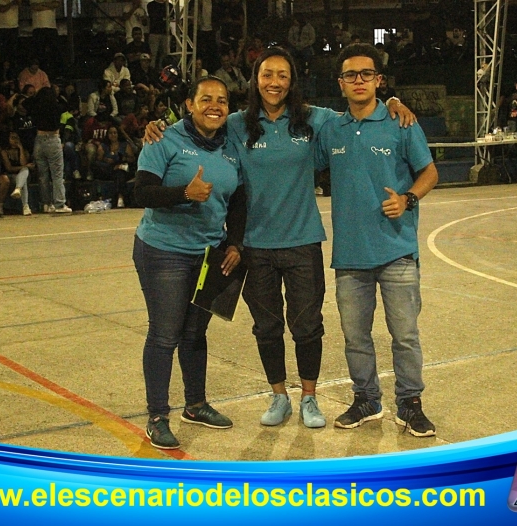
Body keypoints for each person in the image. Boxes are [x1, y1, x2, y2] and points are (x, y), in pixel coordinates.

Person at [144, 47, 414, 430]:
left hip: (303, 241)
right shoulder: (237, 124)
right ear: (256, 79)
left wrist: (393, 101)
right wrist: (157, 125)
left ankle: (309, 398)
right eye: (267, 74)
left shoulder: (313, 120)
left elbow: (359, 108)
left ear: (292, 81)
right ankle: (278, 396)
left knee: (307, 326)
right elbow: (195, 126)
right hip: (255, 246)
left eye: (283, 75)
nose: (275, 82)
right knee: (267, 327)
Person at [315, 43, 438, 436]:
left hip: (397, 251)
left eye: (366, 74)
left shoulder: (400, 123)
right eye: (351, 75)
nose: (359, 81)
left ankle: (410, 404)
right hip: (350, 256)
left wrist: (409, 198)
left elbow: (430, 172)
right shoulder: (331, 128)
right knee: (355, 337)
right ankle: (366, 399)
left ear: (379, 80)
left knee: (404, 335)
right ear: (341, 83)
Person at [132, 76, 245, 450]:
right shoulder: (163, 139)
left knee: (196, 334)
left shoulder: (232, 144)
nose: (215, 106)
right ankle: (157, 417)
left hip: (210, 253)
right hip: (165, 250)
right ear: (189, 104)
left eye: (223, 101)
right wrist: (184, 193)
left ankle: (195, 405)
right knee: (166, 334)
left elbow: (239, 199)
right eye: (206, 99)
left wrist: (234, 243)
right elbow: (141, 191)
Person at [30, 86, 71, 213]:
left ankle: (46, 204)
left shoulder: (36, 108)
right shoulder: (56, 107)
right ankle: (59, 204)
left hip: (39, 139)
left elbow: (26, 102)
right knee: (57, 174)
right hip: (52, 139)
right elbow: (66, 104)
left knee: (43, 175)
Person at [96, 125, 134, 208]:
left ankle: (120, 197)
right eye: (110, 133)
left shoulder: (124, 145)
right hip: (108, 169)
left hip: (122, 169)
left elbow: (132, 159)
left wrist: (123, 158)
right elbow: (99, 159)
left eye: (115, 133)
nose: (113, 135)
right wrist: (106, 160)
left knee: (119, 173)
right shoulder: (103, 146)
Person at [1, 130, 34, 215]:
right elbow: (9, 168)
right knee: (24, 176)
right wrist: (25, 166)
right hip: (10, 175)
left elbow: (23, 163)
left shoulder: (23, 151)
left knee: (25, 172)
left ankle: (18, 189)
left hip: (22, 175)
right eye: (12, 138)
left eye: (17, 138)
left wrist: (21, 148)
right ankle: (25, 206)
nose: (15, 140)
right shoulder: (4, 152)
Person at [0, 0, 22, 68]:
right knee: (3, 52)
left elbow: (20, 5)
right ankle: (2, 70)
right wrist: (11, 3)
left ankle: (12, 70)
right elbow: (2, 9)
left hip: (14, 27)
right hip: (2, 28)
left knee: (13, 52)